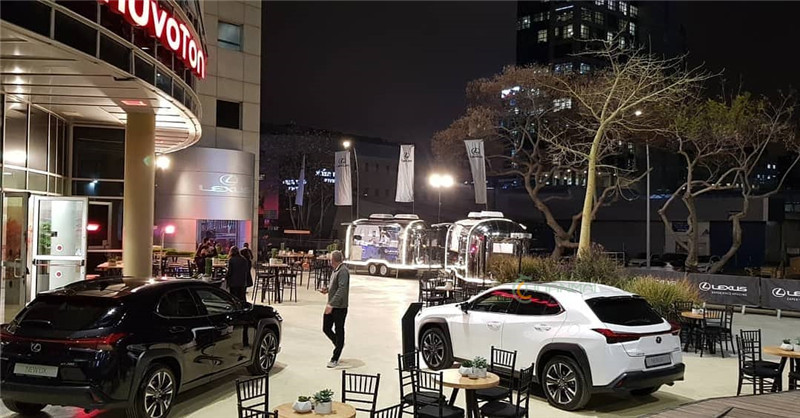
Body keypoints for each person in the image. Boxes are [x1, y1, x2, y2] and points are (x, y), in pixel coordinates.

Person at [319, 250, 349, 368]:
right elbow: (335, 286)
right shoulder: (335, 270)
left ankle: (335, 357)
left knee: (339, 329)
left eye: (330, 259)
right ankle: (339, 344)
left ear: (333, 260)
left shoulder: (343, 271)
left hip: (339, 307)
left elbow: (342, 289)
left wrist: (331, 304)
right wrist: (327, 289)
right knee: (326, 328)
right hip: (332, 304)